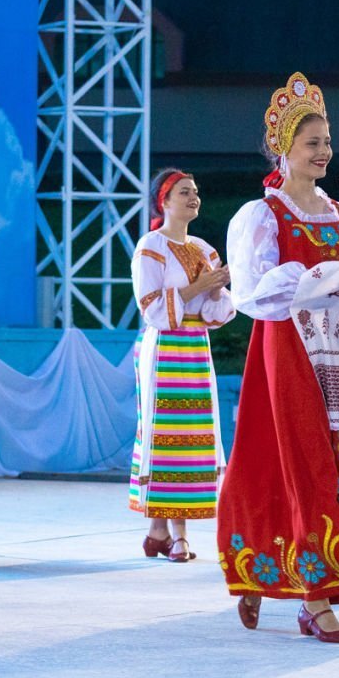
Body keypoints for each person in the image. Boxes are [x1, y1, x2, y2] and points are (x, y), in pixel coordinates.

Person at [217, 72, 339, 645]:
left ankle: (266, 567)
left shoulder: (338, 213)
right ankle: (314, 600)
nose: (324, 152)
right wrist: (324, 274)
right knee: (300, 462)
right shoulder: (261, 215)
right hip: (288, 349)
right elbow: (253, 294)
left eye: (327, 142)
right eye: (313, 143)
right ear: (284, 146)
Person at [128, 169, 234, 562]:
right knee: (164, 434)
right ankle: (177, 536)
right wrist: (198, 287)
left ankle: (160, 532)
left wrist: (216, 290)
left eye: (196, 192)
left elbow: (216, 312)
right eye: (185, 192)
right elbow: (152, 308)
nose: (194, 198)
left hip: (195, 347)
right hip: (163, 347)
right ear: (165, 201)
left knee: (193, 436)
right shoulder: (150, 247)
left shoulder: (205, 250)